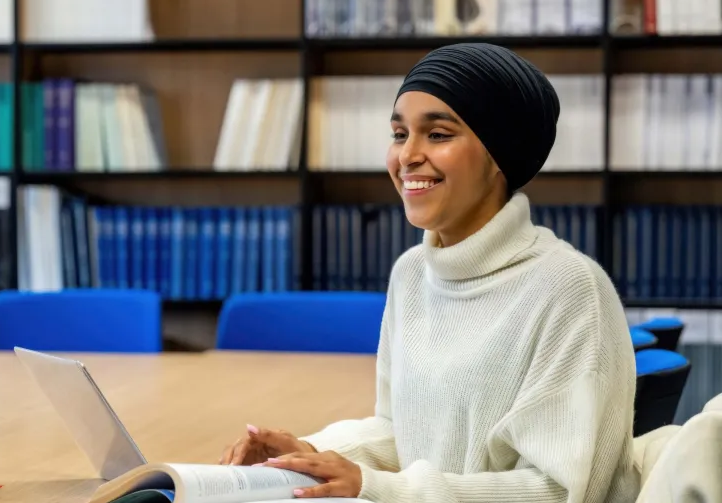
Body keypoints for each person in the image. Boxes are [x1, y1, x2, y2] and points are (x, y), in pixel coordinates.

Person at [219, 43, 641, 503]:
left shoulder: (570, 290)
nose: (407, 156)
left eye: (437, 134)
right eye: (400, 134)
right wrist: (309, 453)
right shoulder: (412, 273)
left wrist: (377, 488)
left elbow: (558, 491)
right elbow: (400, 431)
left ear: (500, 154)